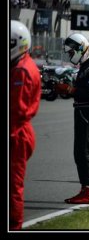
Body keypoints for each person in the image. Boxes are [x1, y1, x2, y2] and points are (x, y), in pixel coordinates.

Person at [55, 33, 89, 204]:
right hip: (83, 111)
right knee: (79, 152)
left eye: (70, 52)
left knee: (83, 152)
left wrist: (70, 90)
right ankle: (85, 188)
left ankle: (88, 192)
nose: (69, 56)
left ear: (79, 49)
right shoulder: (84, 67)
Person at [10, 20, 41, 230]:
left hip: (16, 132)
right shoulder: (21, 63)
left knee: (13, 185)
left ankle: (14, 225)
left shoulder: (22, 70)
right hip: (18, 130)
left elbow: (17, 111)